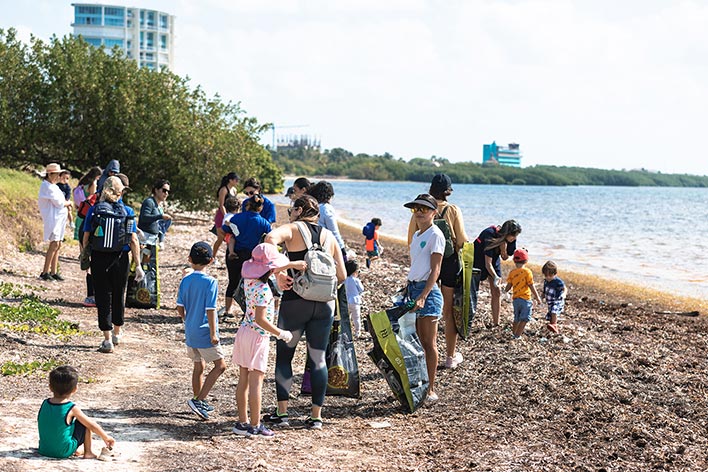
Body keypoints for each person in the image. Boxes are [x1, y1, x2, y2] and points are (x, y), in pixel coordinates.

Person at [262, 195, 346, 429]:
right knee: (318, 359)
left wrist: (279, 271)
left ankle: (283, 413)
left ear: (299, 210)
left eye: (291, 210)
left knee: (285, 356)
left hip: (295, 301)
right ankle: (316, 416)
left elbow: (270, 238)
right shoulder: (329, 237)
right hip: (325, 304)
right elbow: (342, 276)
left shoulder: (293, 228)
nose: (290, 214)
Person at [231, 243, 304, 438]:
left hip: (244, 331)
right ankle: (255, 425)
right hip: (258, 336)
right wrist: (281, 333)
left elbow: (270, 268)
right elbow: (261, 320)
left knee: (243, 379)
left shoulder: (249, 280)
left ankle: (242, 423)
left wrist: (293, 264)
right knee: (257, 383)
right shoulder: (263, 289)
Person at [408, 174, 469, 369]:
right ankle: (450, 357)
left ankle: (422, 356)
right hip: (449, 263)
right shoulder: (453, 209)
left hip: (427, 262)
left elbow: (411, 239)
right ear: (448, 190)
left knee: (424, 309)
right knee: (448, 310)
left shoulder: (419, 208)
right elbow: (462, 240)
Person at [82, 176, 143, 353]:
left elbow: (87, 235)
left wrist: (85, 256)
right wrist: (137, 264)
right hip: (121, 257)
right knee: (119, 293)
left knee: (102, 296)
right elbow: (133, 239)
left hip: (99, 258)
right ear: (120, 191)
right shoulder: (128, 211)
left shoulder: (94, 210)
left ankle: (107, 339)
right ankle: (117, 332)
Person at [177, 241, 226, 421]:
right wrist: (214, 333)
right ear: (211, 260)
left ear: (189, 259)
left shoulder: (186, 280)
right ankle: (199, 400)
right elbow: (211, 309)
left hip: (190, 331)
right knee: (220, 366)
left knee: (199, 366)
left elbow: (180, 309)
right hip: (205, 330)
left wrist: (188, 320)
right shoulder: (210, 282)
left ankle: (198, 400)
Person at [403, 194, 445, 403]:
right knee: (415, 342)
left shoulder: (436, 235)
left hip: (428, 292)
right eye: (416, 209)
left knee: (429, 343)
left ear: (434, 213)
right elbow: (417, 265)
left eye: (424, 209)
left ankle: (430, 389)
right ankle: (418, 385)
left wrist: (423, 295)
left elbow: (435, 269)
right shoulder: (418, 235)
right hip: (413, 288)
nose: (419, 212)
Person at [37, 365, 115, 459]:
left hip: (44, 450)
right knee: (84, 423)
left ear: (50, 387)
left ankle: (76, 450)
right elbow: (92, 425)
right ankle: (88, 452)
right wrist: (106, 437)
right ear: (75, 389)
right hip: (63, 452)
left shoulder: (45, 403)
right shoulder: (71, 408)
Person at [222, 194, 271, 318]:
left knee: (232, 282)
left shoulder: (237, 218)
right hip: (252, 257)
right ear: (260, 208)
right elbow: (269, 238)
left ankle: (228, 310)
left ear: (248, 205)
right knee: (250, 284)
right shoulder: (264, 223)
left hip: (235, 254)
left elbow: (225, 229)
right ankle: (248, 313)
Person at [473, 220, 522, 327]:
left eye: (516, 236)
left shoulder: (512, 238)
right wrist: (495, 276)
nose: (514, 238)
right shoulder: (489, 234)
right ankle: (468, 318)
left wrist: (503, 250)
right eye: (513, 236)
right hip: (477, 259)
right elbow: (487, 264)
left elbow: (505, 257)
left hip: (494, 260)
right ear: (506, 233)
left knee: (497, 292)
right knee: (473, 292)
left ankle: (496, 323)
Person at [38, 163, 73, 281]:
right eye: (56, 174)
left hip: (59, 219)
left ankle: (54, 271)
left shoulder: (53, 186)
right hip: (53, 219)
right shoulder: (47, 186)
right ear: (50, 174)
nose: (58, 176)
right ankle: (45, 271)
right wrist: (69, 203)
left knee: (58, 244)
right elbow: (59, 202)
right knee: (54, 244)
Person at [73, 166, 102, 307]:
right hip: (89, 223)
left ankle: (90, 296)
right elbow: (92, 197)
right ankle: (94, 295)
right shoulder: (94, 186)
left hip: (81, 218)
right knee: (94, 262)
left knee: (87, 260)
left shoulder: (82, 182)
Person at [503, 249, 541, 338]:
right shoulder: (527, 272)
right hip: (525, 300)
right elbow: (531, 285)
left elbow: (509, 286)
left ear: (514, 260)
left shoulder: (512, 273)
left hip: (516, 300)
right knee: (524, 319)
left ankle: (514, 333)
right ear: (526, 260)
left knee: (516, 318)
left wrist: (504, 292)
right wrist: (537, 297)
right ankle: (517, 336)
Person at [308, 180, 347, 258]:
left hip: (312, 243)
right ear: (329, 195)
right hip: (325, 244)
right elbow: (334, 231)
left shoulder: (312, 206)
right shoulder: (326, 208)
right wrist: (342, 248)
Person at [138, 179, 172, 249]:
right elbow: (144, 217)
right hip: (144, 239)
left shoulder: (160, 207)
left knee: (152, 260)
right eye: (164, 190)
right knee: (142, 259)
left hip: (153, 240)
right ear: (156, 190)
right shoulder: (149, 202)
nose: (166, 193)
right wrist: (160, 216)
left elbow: (161, 227)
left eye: (168, 191)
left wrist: (161, 241)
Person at [212, 172, 239, 257]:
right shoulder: (224, 189)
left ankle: (230, 254)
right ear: (230, 180)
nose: (237, 181)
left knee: (231, 237)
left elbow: (236, 203)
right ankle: (213, 257)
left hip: (232, 215)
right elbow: (221, 205)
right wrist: (226, 216)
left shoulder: (234, 190)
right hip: (222, 215)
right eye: (236, 180)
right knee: (220, 238)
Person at [541, 261, 567, 333]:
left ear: (555, 274)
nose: (548, 277)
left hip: (557, 300)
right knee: (550, 314)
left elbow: (564, 288)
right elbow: (544, 291)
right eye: (546, 275)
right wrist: (541, 297)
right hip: (550, 301)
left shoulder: (558, 282)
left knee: (554, 311)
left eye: (550, 275)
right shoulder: (546, 281)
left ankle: (554, 325)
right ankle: (552, 326)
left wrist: (564, 294)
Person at [344, 260, 365, 338]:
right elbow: (361, 289)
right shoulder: (356, 280)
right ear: (355, 271)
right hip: (355, 301)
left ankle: (346, 331)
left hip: (346, 301)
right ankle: (357, 331)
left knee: (347, 317)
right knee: (356, 318)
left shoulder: (345, 279)